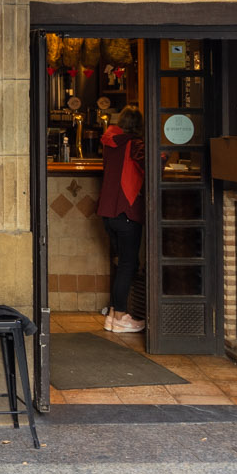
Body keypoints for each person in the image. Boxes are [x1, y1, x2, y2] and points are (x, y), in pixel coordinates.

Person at [98, 106, 147, 335]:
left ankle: (111, 316)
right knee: (129, 264)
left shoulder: (110, 141)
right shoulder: (135, 144)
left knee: (122, 264)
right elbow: (154, 163)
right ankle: (119, 316)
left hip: (108, 213)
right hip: (126, 212)